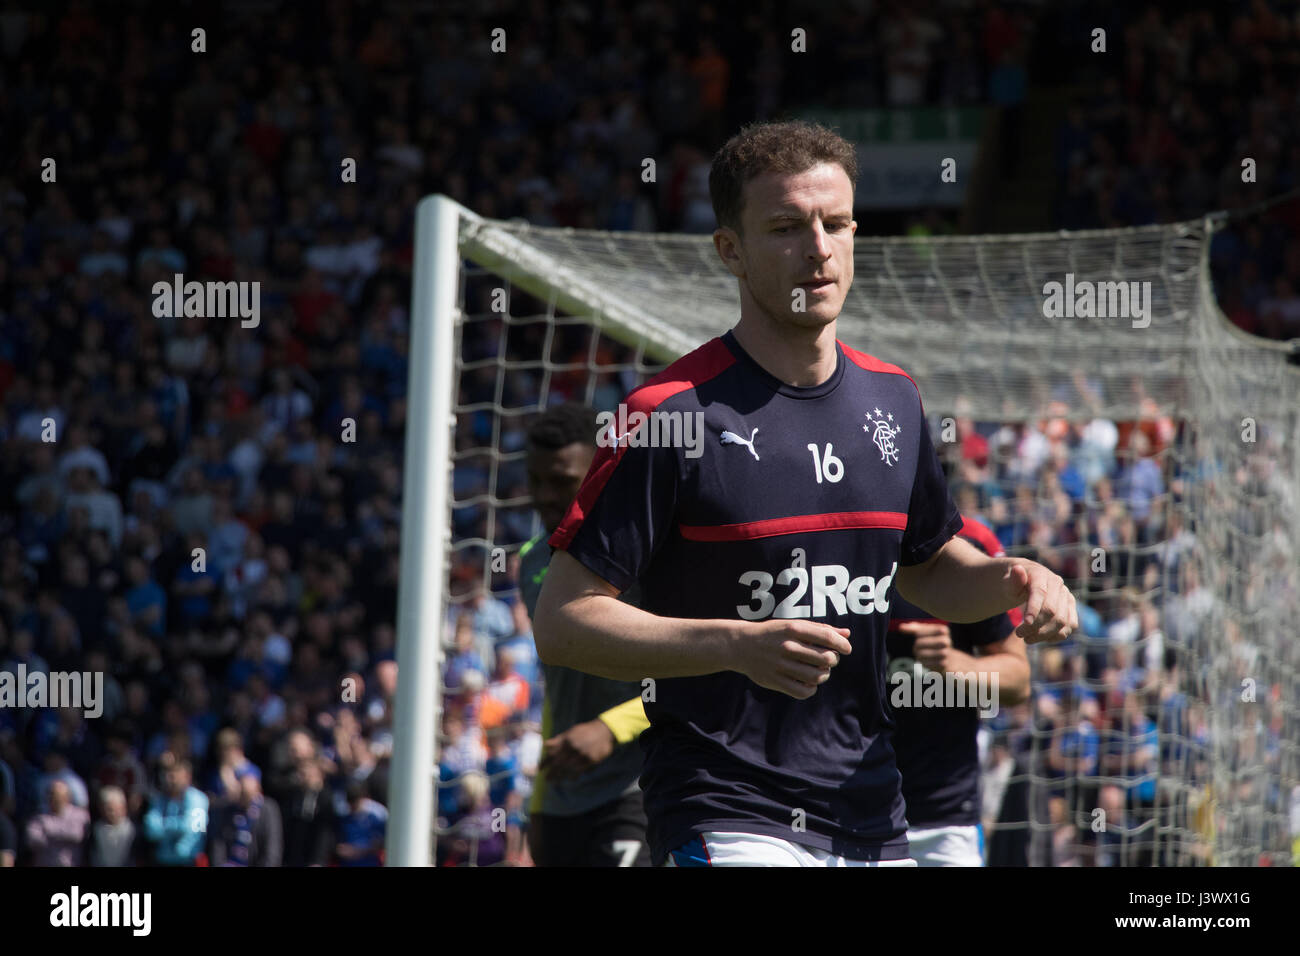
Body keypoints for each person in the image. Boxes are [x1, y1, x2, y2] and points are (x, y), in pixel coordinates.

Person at [534, 120, 1077, 867]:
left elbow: (925, 569)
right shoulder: (668, 415)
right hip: (725, 808)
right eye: (787, 227)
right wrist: (733, 642)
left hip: (872, 810)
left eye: (837, 223)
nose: (818, 249)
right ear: (731, 250)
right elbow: (562, 621)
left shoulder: (894, 400)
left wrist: (1014, 576)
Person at [519, 403, 652, 866]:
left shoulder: (647, 561)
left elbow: (700, 674)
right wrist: (537, 804)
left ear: (597, 476)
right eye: (536, 480)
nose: (544, 496)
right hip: (561, 801)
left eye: (561, 481)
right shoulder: (533, 564)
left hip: (638, 788)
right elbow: (557, 690)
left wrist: (611, 728)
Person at [886, 515, 1029, 866]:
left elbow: (1018, 681)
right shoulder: (841, 536)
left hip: (944, 821)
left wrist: (953, 665)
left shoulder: (971, 543)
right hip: (844, 811)